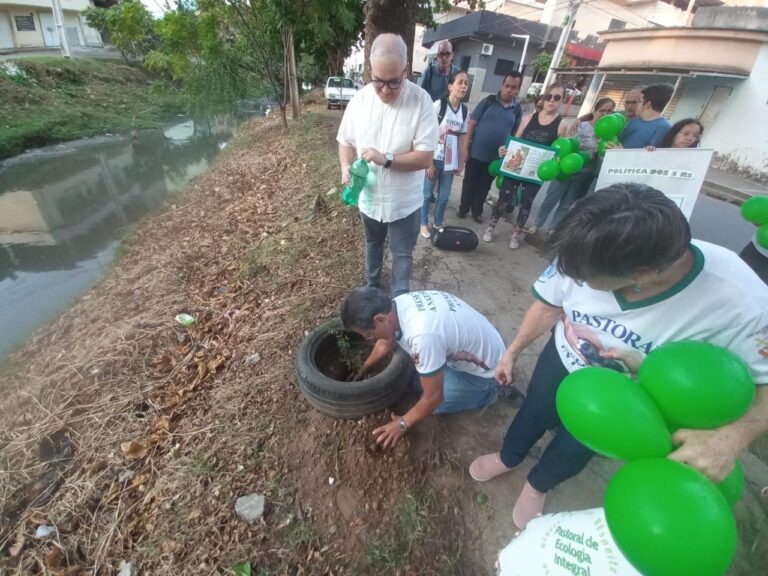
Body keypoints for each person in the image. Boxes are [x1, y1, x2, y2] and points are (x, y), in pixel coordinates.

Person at [469, 184, 768, 531]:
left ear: (640, 274)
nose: (573, 279)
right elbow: (548, 304)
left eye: (585, 279)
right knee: (534, 410)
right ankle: (508, 456)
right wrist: (512, 352)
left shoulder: (740, 299)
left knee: (579, 443)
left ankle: (538, 484)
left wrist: (729, 439)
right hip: (562, 358)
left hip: (628, 396)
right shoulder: (583, 252)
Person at [341, 287, 509, 447]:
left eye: (369, 335)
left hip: (487, 374)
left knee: (429, 401)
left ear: (380, 319)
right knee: (418, 374)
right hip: (478, 346)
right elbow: (385, 342)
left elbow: (434, 398)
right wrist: (364, 368)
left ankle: (494, 392)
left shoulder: (422, 336)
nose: (369, 339)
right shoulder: (396, 305)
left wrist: (402, 424)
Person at [337, 34, 439, 296]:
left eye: (393, 82)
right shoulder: (360, 101)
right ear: (370, 70)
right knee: (372, 244)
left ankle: (400, 304)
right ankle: (372, 289)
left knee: (402, 254)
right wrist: (345, 167)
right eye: (378, 81)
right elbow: (345, 140)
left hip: (403, 203)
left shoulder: (421, 102)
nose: (384, 90)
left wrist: (387, 159)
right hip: (369, 199)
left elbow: (425, 156)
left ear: (405, 70)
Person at [482, 82, 568, 249]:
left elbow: (559, 152)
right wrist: (504, 149)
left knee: (526, 203)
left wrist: (556, 162)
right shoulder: (528, 118)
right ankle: (491, 226)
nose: (552, 100)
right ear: (543, 98)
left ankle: (516, 234)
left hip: (536, 173)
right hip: (516, 167)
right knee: (503, 199)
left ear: (562, 100)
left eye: (557, 97)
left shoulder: (562, 125)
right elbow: (515, 141)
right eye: (549, 96)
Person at [527, 98, 616, 237]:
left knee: (567, 204)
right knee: (551, 199)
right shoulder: (580, 126)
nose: (605, 114)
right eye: (602, 110)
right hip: (564, 170)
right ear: (595, 110)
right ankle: (537, 224)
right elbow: (565, 143)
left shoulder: (609, 135)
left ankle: (553, 228)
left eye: (609, 111)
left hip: (584, 174)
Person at [458, 73, 523, 222]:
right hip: (476, 153)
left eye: (513, 88)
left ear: (517, 90)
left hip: (495, 159)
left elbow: (515, 135)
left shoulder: (517, 110)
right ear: (502, 86)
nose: (508, 90)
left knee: (484, 187)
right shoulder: (488, 101)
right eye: (506, 86)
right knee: (469, 183)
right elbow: (471, 124)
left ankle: (477, 211)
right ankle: (463, 208)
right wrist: (466, 149)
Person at [421, 70, 470, 238]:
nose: (463, 86)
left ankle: (438, 222)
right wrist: (429, 163)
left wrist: (461, 162)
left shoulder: (464, 111)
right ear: (450, 86)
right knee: (427, 195)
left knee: (443, 197)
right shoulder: (438, 105)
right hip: (433, 159)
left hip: (450, 162)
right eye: (460, 82)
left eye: (466, 83)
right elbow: (427, 134)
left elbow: (462, 138)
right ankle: (423, 224)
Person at [618, 83, 674, 149]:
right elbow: (619, 142)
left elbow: (652, 155)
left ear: (647, 104)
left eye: (639, 100)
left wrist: (621, 152)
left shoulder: (663, 127)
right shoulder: (635, 121)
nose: (636, 104)